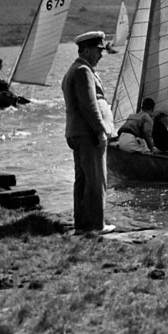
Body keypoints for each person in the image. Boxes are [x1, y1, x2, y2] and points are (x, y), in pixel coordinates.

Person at [61, 31, 115, 236]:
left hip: (78, 132)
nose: (101, 55)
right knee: (95, 179)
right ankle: (96, 225)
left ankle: (82, 224)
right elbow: (89, 105)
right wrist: (101, 131)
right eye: (98, 51)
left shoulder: (75, 69)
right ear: (86, 50)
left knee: (83, 179)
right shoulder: (83, 70)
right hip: (88, 133)